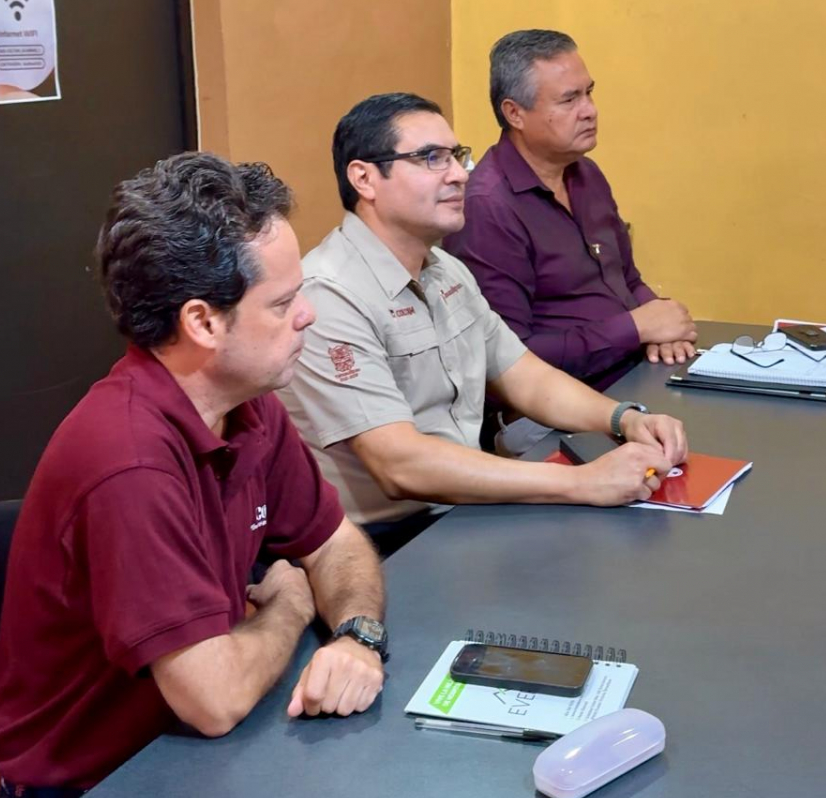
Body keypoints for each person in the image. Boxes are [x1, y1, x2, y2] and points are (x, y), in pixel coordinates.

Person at [0, 153, 387, 798]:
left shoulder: (247, 406)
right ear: (202, 322)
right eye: (282, 304)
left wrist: (357, 635)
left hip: (188, 768)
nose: (307, 316)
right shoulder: (129, 461)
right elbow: (215, 699)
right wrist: (291, 606)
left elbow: (335, 544)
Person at [279, 93, 688, 553]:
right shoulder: (329, 294)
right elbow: (399, 465)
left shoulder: (446, 271)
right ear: (364, 178)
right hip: (384, 543)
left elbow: (525, 376)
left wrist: (623, 418)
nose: (459, 174)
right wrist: (583, 482)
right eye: (431, 158)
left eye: (457, 155)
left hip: (464, 510)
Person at [444, 29, 697, 398]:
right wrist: (636, 328)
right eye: (569, 100)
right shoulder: (488, 207)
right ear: (515, 113)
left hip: (637, 370)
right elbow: (508, 359)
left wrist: (664, 326)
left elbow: (626, 280)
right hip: (563, 403)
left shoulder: (585, 174)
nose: (589, 110)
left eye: (589, 92)